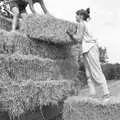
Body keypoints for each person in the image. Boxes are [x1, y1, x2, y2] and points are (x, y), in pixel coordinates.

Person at [66, 8, 111, 100]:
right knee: (88, 73)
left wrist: (70, 34)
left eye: (76, 15)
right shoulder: (83, 24)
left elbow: (78, 38)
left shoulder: (82, 24)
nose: (75, 16)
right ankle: (92, 95)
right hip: (87, 49)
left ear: (81, 16)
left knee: (96, 71)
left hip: (91, 48)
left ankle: (106, 94)